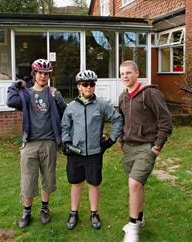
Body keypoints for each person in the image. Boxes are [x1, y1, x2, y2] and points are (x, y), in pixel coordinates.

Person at [7, 59, 66, 228]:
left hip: (49, 143)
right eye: (40, 73)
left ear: (49, 76)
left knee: (48, 178)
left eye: (46, 74)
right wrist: (16, 85)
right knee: (28, 179)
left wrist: (59, 99)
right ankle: (26, 211)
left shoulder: (53, 93)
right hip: (30, 144)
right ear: (34, 75)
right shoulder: (26, 94)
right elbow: (10, 101)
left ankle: (45, 209)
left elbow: (65, 113)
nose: (43, 76)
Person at [61, 70, 123, 230]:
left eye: (92, 84)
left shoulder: (101, 105)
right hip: (75, 153)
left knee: (94, 184)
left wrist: (111, 139)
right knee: (76, 183)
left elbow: (117, 119)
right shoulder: (71, 107)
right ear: (79, 87)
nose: (89, 87)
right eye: (85, 84)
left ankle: (94, 213)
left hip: (95, 153)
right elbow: (65, 127)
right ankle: (73, 212)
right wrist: (66, 141)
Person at [118, 60, 173, 242]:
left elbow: (165, 121)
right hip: (128, 148)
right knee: (137, 186)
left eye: (128, 73)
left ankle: (133, 227)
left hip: (146, 148)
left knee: (134, 184)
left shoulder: (150, 94)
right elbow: (122, 121)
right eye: (122, 74)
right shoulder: (123, 97)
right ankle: (139, 219)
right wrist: (121, 141)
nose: (125, 76)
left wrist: (157, 147)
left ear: (137, 73)